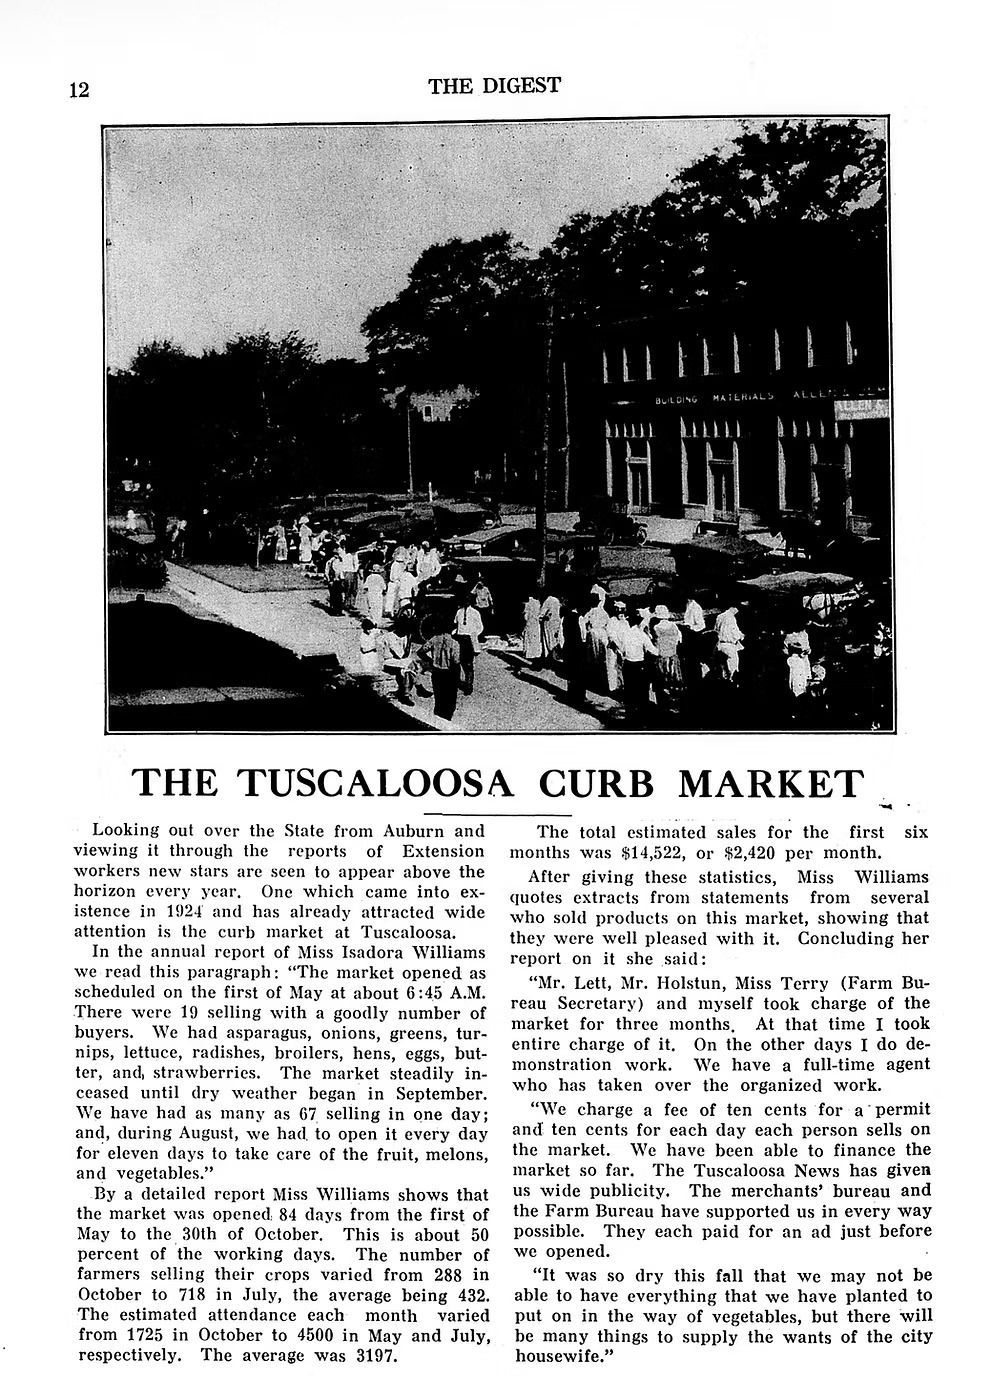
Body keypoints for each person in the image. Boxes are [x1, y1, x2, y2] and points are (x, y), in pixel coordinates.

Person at [420, 621, 461, 720]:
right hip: (450, 673)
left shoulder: (434, 639)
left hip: (437, 672)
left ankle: (437, 719)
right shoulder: (454, 643)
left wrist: (431, 661)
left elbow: (421, 652)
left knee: (439, 699)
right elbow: (456, 661)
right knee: (450, 699)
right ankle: (446, 720)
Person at [381, 616, 417, 704]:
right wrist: (408, 641)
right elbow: (400, 655)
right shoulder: (390, 636)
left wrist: (408, 640)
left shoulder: (404, 636)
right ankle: (409, 692)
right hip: (390, 662)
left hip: (400, 662)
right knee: (407, 667)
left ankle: (406, 694)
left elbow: (407, 655)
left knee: (408, 667)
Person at [453, 601, 484, 694]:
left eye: (467, 600)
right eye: (464, 599)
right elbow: (455, 623)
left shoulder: (475, 613)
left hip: (469, 639)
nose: (465, 602)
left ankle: (469, 685)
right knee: (458, 661)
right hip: (460, 639)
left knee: (468, 663)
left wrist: (473, 635)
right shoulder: (459, 612)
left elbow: (480, 627)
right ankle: (457, 682)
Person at [652, 606, 683, 692]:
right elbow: (679, 639)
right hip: (673, 654)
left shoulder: (656, 627)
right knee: (674, 674)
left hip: (662, 655)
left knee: (663, 675)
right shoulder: (674, 626)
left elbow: (655, 641)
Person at [582, 599, 610, 690]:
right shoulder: (603, 612)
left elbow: (584, 622)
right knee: (600, 657)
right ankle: (600, 680)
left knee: (594, 657)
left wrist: (587, 631)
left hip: (595, 634)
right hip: (601, 634)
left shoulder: (591, 612)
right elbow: (607, 624)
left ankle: (596, 679)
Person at [713, 605, 744, 681]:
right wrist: (741, 636)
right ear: (734, 608)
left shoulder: (720, 616)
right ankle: (732, 682)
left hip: (720, 645)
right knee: (733, 669)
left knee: (723, 669)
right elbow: (734, 633)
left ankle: (724, 683)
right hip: (729, 646)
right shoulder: (731, 618)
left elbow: (715, 630)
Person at [604, 600, 628, 694]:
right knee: (612, 667)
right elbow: (611, 636)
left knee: (622, 667)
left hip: (623, 647)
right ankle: (613, 688)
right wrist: (618, 646)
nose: (620, 613)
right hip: (613, 648)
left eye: (622, 610)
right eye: (618, 610)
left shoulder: (625, 622)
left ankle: (622, 685)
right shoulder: (612, 621)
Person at [539, 591, 564, 662]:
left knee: (548, 640)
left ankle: (549, 657)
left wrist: (542, 617)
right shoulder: (557, 601)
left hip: (549, 624)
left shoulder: (549, 600)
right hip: (556, 623)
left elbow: (542, 613)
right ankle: (554, 657)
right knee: (555, 640)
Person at [521, 595, 542, 663]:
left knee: (529, 639)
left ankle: (529, 654)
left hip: (529, 624)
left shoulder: (527, 605)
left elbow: (525, 617)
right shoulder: (538, 603)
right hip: (536, 624)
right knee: (535, 640)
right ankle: (536, 654)